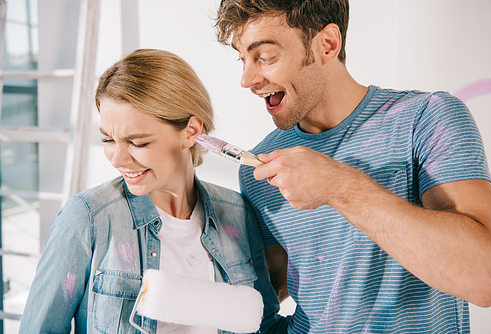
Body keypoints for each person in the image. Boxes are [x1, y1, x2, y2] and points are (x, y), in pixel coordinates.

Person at [214, 1, 491, 333]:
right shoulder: (259, 165)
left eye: (264, 57)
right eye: (242, 59)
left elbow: (487, 279)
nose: (247, 79)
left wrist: (340, 186)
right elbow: (264, 297)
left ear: (327, 44)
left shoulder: (426, 119)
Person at [19, 49, 289, 333]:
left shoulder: (236, 213)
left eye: (138, 142)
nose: (117, 159)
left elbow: (264, 324)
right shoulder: (89, 218)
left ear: (191, 131)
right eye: (108, 139)